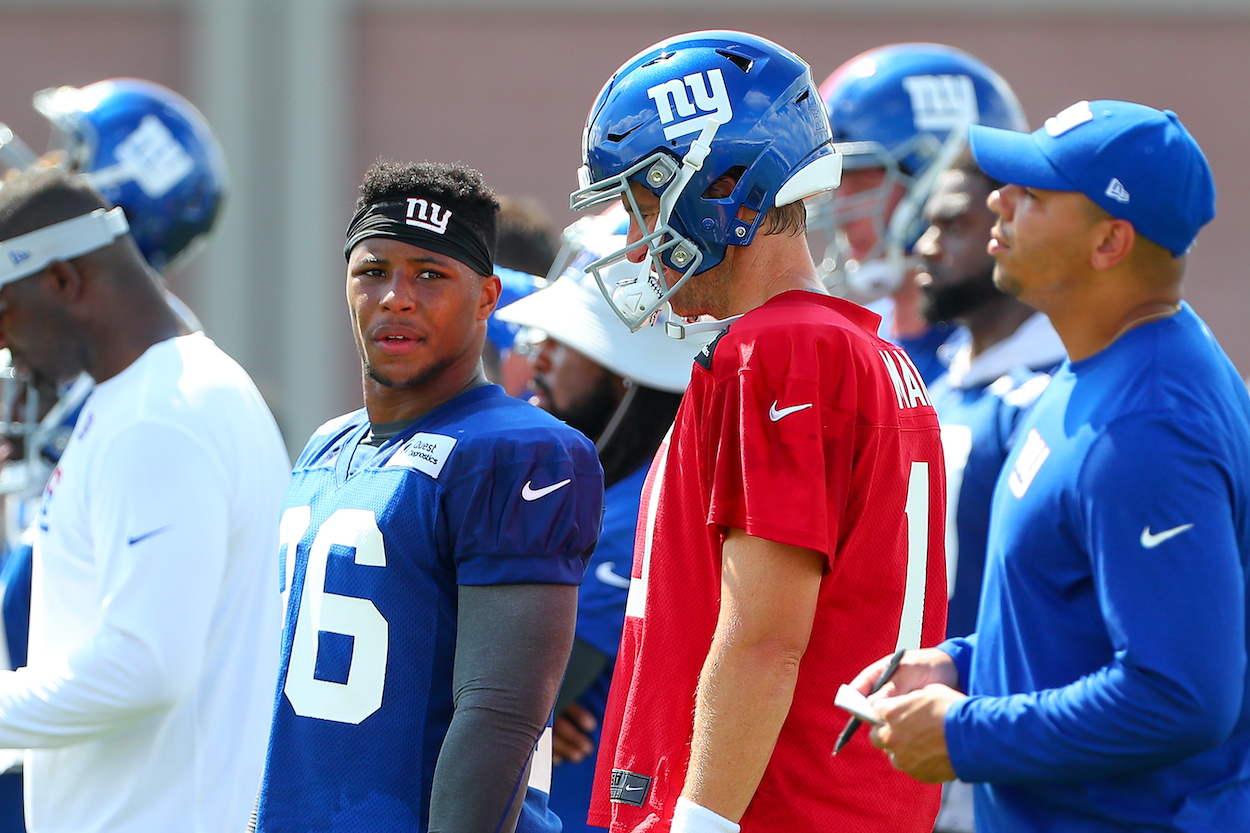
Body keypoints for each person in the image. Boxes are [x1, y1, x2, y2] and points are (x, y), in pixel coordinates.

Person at [571, 30, 947, 832]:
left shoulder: (779, 351)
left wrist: (700, 821)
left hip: (776, 809)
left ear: (723, 184)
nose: (636, 237)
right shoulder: (855, 349)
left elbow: (764, 638)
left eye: (643, 201)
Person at [858, 100, 1250, 832]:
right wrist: (960, 665)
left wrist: (965, 731)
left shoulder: (1149, 423)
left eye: (1032, 195)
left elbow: (1182, 695)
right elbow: (1073, 618)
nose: (999, 200)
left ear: (1110, 242)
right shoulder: (1096, 365)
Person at [255, 160, 604, 833]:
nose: (396, 296)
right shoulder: (328, 446)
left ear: (488, 296)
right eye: (373, 270)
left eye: (430, 273)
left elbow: (500, 713)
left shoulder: (517, 449)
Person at [0, 167, 288, 832]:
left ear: (64, 281)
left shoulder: (160, 414)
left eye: (3, 310)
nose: (4, 342)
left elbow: (146, 667)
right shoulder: (157, 392)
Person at [496, 212, 708, 833]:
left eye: (568, 339)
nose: (537, 355)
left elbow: (506, 700)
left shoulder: (639, 505)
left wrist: (518, 707)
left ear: (626, 369)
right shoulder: (606, 484)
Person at [914, 153, 1066, 833]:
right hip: (922, 731)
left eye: (953, 222)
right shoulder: (939, 389)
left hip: (1009, 748)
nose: (925, 244)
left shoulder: (1059, 394)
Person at [816, 43, 1027, 384]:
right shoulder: (852, 344)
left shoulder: (1010, 353)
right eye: (838, 183)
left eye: (864, 183)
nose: (840, 209)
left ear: (942, 181)